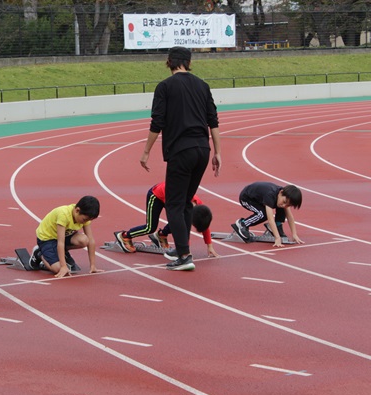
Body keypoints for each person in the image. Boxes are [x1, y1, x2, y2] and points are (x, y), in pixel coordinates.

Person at [140, 46, 222, 272]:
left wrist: (146, 151)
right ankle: (182, 248)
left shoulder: (165, 87)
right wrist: (217, 152)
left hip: (180, 151)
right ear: (189, 61)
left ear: (169, 62)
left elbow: (157, 122)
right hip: (202, 150)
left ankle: (184, 256)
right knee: (185, 201)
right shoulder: (202, 85)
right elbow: (213, 121)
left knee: (174, 203)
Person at [114, 181, 218, 258]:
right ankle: (125, 236)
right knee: (150, 227)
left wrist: (210, 246)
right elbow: (182, 228)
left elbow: (205, 224)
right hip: (156, 195)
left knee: (179, 221)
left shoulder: (199, 207)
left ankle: (161, 235)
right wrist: (186, 250)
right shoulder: (181, 203)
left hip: (171, 198)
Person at [28, 196, 103, 278]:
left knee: (84, 240)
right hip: (47, 238)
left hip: (64, 236)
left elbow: (91, 240)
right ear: (77, 210)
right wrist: (63, 266)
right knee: (57, 269)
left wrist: (93, 265)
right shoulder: (63, 215)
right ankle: (39, 253)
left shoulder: (84, 216)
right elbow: (61, 242)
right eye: (84, 219)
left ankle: (59, 253)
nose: (86, 222)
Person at [232, 182, 304, 247]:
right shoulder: (270, 195)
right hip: (246, 198)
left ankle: (277, 226)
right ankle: (242, 224)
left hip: (259, 199)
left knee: (282, 209)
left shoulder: (284, 196)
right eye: (284, 202)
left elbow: (290, 216)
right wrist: (277, 238)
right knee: (263, 214)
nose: (284, 205)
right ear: (281, 192)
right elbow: (270, 219)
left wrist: (294, 234)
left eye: (288, 205)